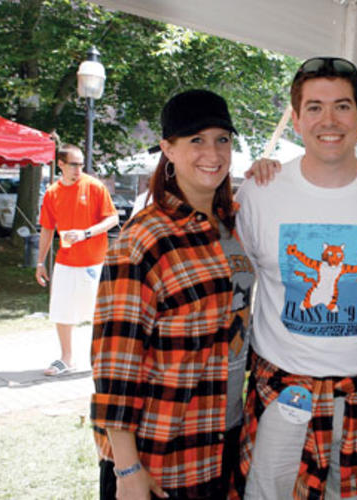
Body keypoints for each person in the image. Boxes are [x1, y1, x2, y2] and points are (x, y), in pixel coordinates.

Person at [235, 57, 357, 499]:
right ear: (297, 118)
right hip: (282, 401)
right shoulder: (259, 194)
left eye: (342, 106)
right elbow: (233, 285)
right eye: (314, 107)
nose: (329, 120)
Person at [91, 89, 253, 499]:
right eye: (195, 140)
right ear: (168, 148)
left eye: (222, 139)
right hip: (161, 456)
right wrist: (128, 469)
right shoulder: (144, 239)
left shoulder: (231, 225)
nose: (212, 152)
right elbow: (115, 363)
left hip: (225, 437)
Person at [35, 144, 118, 376]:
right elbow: (47, 229)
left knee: (99, 313)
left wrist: (86, 233)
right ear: (60, 164)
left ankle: (103, 359)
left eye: (81, 164)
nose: (79, 168)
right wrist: (40, 262)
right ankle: (66, 359)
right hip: (65, 261)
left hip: (94, 262)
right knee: (61, 310)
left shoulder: (94, 187)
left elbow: (112, 219)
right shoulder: (52, 192)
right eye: (74, 164)